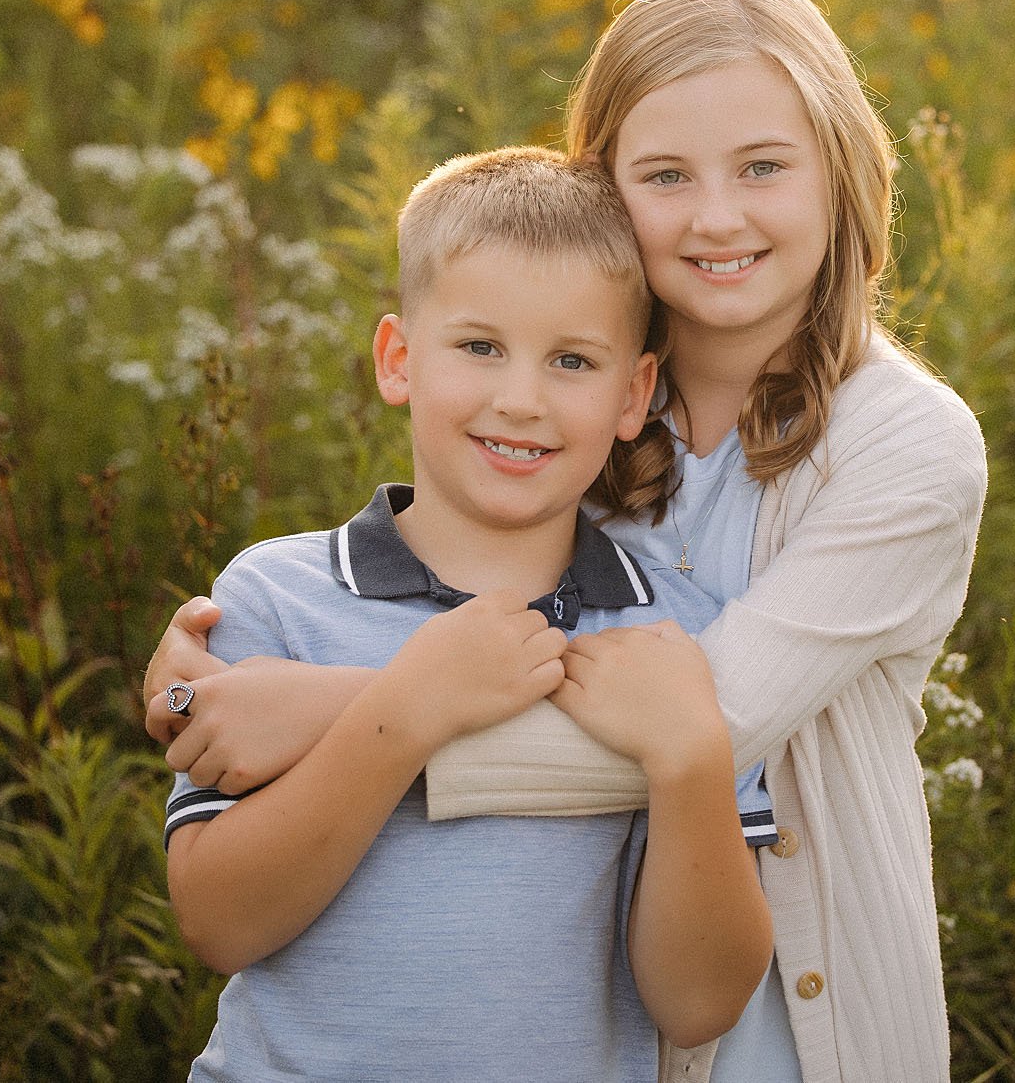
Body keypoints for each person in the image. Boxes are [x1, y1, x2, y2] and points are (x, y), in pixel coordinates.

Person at [148, 0, 988, 1083]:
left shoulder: (906, 444)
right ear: (601, 190)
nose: (716, 214)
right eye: (662, 175)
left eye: (763, 167)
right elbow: (421, 588)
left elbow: (702, 720)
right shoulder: (572, 422)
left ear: (840, 171)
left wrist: (318, 709)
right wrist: (202, 686)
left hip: (800, 1035)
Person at [163, 147, 774, 1080]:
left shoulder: (674, 640)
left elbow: (698, 1004)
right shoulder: (276, 597)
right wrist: (410, 705)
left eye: (572, 359)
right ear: (398, 358)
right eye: (479, 346)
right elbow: (219, 920)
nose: (519, 399)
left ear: (633, 395)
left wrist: (690, 757)